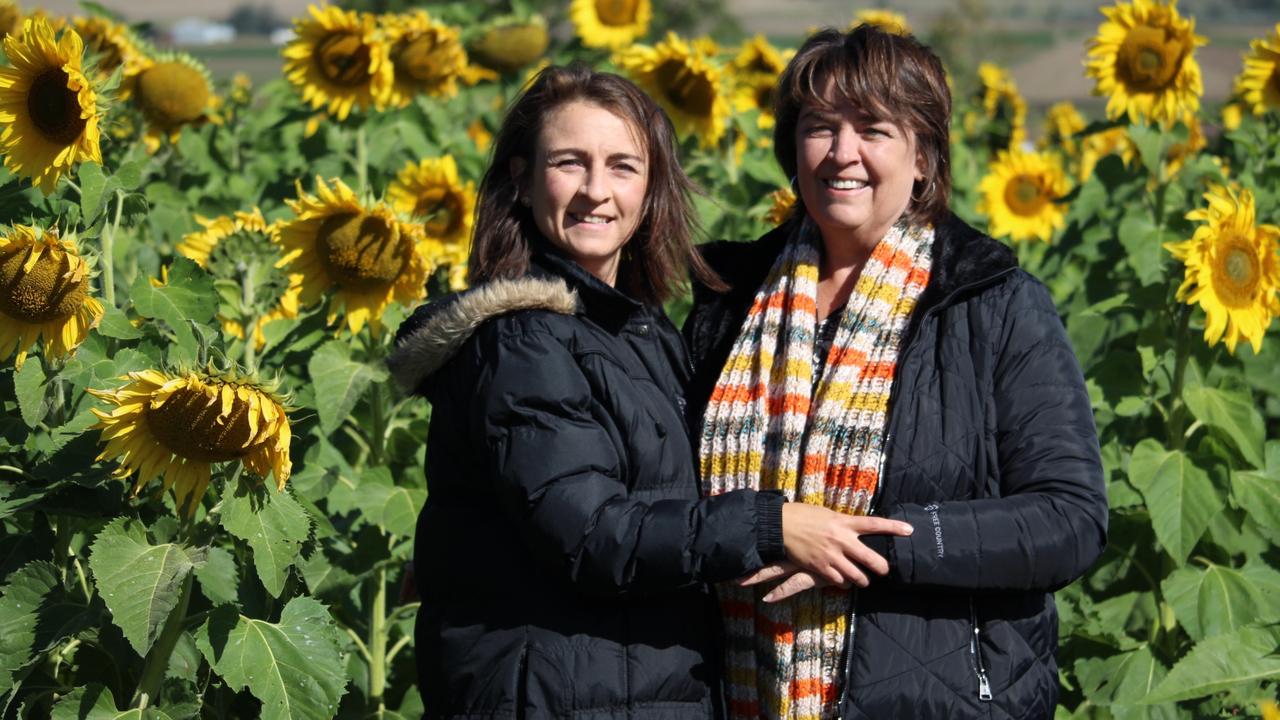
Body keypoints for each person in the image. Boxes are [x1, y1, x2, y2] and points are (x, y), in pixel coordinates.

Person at [386, 63, 913, 719]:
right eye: (570, 164)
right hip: (554, 696)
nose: (595, 192)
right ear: (521, 180)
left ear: (652, 188)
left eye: (622, 167)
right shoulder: (521, 341)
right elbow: (592, 534)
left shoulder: (637, 331)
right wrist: (771, 525)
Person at [683, 27, 1109, 719]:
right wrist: (768, 528)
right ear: (793, 151)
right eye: (820, 128)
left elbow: (1070, 518)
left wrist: (874, 543)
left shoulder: (993, 303)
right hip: (740, 691)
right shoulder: (727, 301)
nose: (841, 153)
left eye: (873, 129)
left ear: (923, 158)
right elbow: (676, 502)